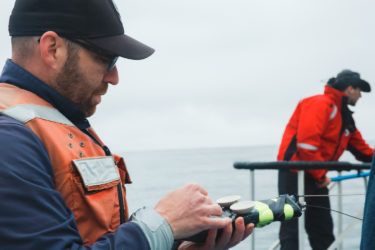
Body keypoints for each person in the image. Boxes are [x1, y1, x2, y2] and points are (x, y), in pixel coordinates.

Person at [0, 0, 254, 249]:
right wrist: (162, 224)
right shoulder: (9, 140)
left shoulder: (56, 122)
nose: (114, 77)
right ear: (52, 49)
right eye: (106, 59)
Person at [276, 70, 374, 250]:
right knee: (291, 230)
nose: (360, 96)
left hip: (316, 177)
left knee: (323, 231)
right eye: (360, 90)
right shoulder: (319, 103)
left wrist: (319, 176)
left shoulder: (345, 117)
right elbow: (306, 146)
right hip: (294, 174)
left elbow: (364, 151)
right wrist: (321, 176)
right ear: (350, 88)